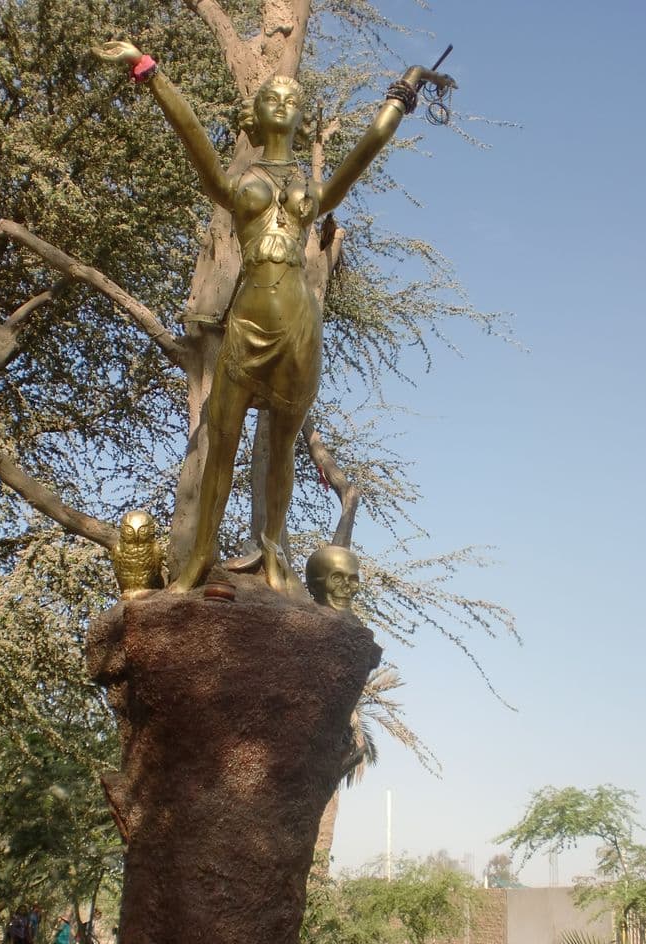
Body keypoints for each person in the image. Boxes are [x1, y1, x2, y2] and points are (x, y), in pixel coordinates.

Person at [93, 41, 455, 594]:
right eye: (272, 95)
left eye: (292, 96)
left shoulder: (316, 188)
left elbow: (369, 145)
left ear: (301, 113)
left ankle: (273, 551)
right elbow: (192, 136)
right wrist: (149, 71)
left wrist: (407, 87)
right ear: (255, 114)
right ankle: (199, 558)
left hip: (299, 323)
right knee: (223, 440)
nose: (283, 100)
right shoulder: (237, 182)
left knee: (282, 445)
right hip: (247, 320)